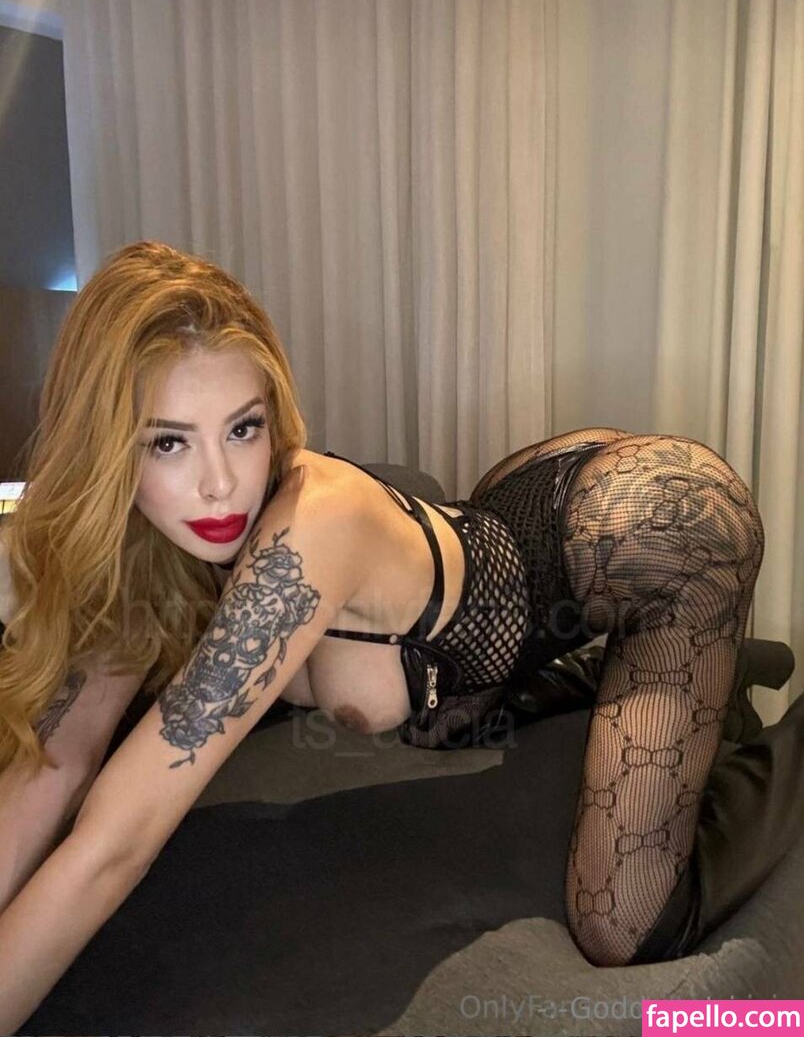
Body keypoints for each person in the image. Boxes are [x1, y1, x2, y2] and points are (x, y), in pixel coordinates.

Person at [0, 240, 802, 1031]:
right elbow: (61, 762)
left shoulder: (307, 534)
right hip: (506, 552)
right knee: (456, 714)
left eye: (243, 429)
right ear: (109, 447)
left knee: (622, 924)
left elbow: (116, 844)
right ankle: (644, 672)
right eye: (169, 441)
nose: (219, 483)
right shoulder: (143, 551)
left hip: (663, 533)